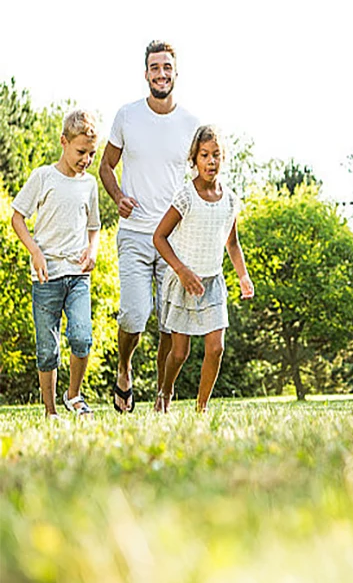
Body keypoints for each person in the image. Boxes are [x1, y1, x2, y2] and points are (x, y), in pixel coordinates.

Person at [99, 40, 199, 412]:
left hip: (173, 239)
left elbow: (198, 182)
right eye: (155, 68)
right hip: (136, 234)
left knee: (170, 326)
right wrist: (117, 196)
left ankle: (162, 394)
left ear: (176, 72)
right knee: (135, 314)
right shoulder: (127, 116)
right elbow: (106, 166)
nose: (161, 74)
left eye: (167, 67)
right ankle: (124, 369)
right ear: (146, 74)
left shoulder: (191, 125)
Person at [153, 125, 254, 412]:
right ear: (194, 159)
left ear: (223, 158)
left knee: (216, 348)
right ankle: (166, 390)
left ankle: (201, 408)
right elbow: (159, 238)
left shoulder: (231, 200)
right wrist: (182, 271)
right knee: (180, 353)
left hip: (213, 283)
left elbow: (232, 243)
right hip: (184, 283)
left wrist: (243, 276)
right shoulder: (186, 196)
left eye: (216, 155)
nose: (211, 161)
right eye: (205, 155)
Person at [10, 110, 101, 418]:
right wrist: (34, 250)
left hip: (77, 275)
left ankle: (73, 395)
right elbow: (17, 217)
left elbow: (94, 226)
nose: (86, 159)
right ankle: (50, 412)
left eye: (91, 153)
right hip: (46, 277)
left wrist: (93, 250)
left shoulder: (89, 184)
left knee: (81, 337)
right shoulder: (43, 176)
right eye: (80, 152)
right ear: (64, 142)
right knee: (47, 349)